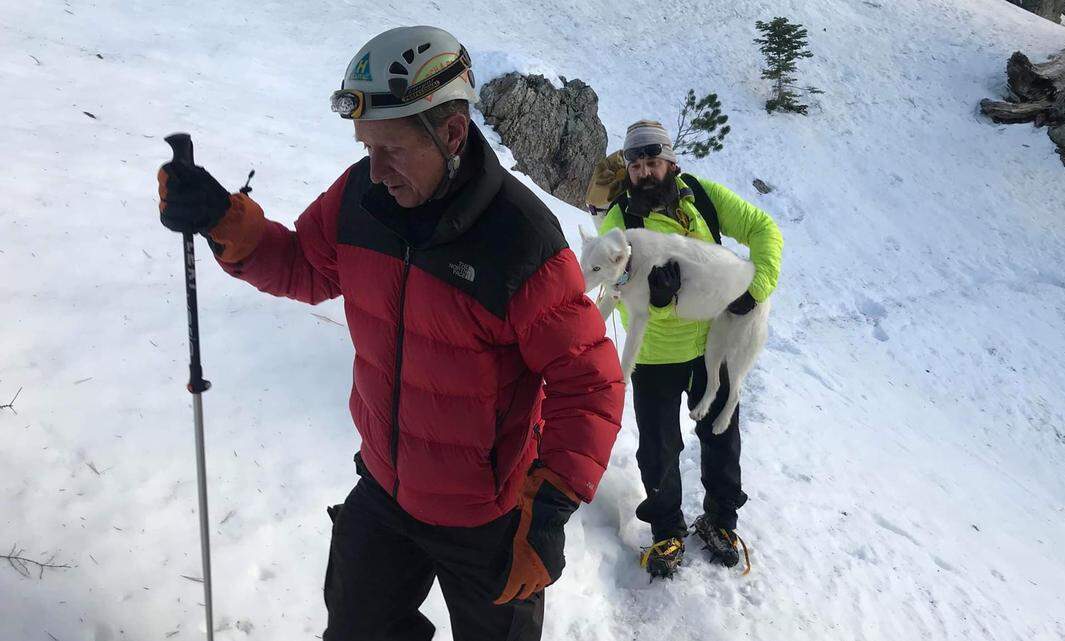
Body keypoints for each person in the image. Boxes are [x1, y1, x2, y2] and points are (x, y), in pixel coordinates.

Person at [156, 26, 624, 641]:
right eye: (365, 146)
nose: (374, 170)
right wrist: (225, 222)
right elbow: (305, 266)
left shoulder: (519, 239)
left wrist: (551, 507)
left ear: (453, 133)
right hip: (385, 484)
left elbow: (587, 380)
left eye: (393, 149)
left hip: (487, 514)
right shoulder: (359, 200)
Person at [596, 120, 783, 579]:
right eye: (636, 165)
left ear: (671, 163)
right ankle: (667, 530)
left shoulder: (701, 196)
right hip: (656, 354)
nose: (644, 173)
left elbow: (764, 229)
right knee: (659, 449)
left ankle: (721, 522)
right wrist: (657, 303)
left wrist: (755, 289)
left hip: (711, 346)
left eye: (652, 162)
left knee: (721, 440)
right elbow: (616, 288)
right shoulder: (621, 220)